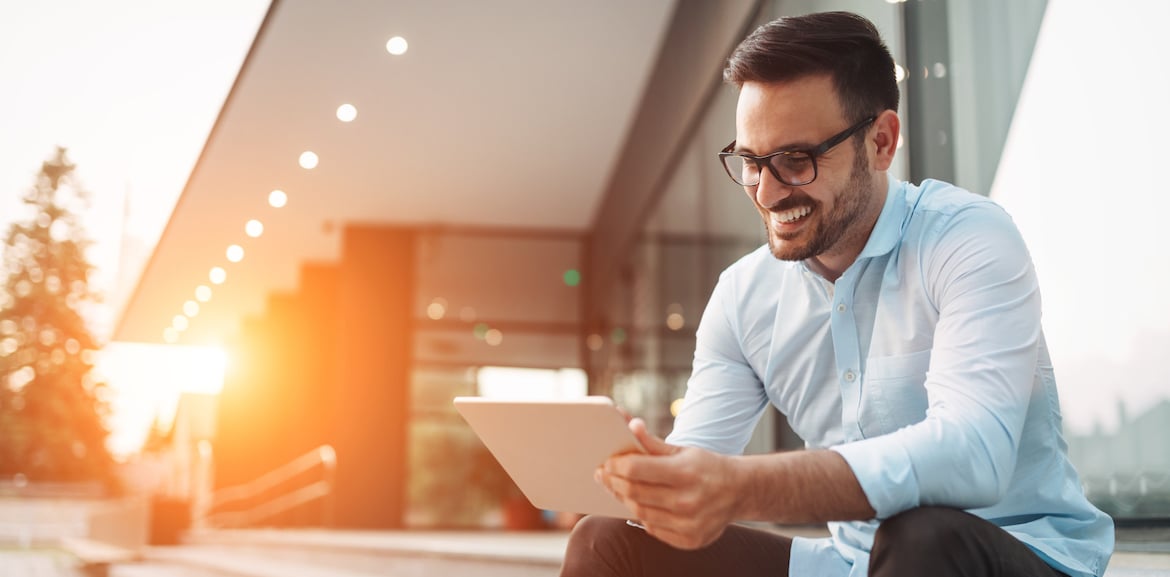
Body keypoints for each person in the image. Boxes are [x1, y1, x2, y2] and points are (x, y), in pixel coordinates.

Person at [560, 11, 1113, 577]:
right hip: (852, 562)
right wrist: (649, 480)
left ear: (881, 142)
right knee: (606, 541)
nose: (767, 193)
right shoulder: (744, 296)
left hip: (1016, 553)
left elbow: (973, 455)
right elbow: (697, 468)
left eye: (795, 161)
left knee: (922, 537)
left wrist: (742, 486)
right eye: (751, 162)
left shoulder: (967, 238)